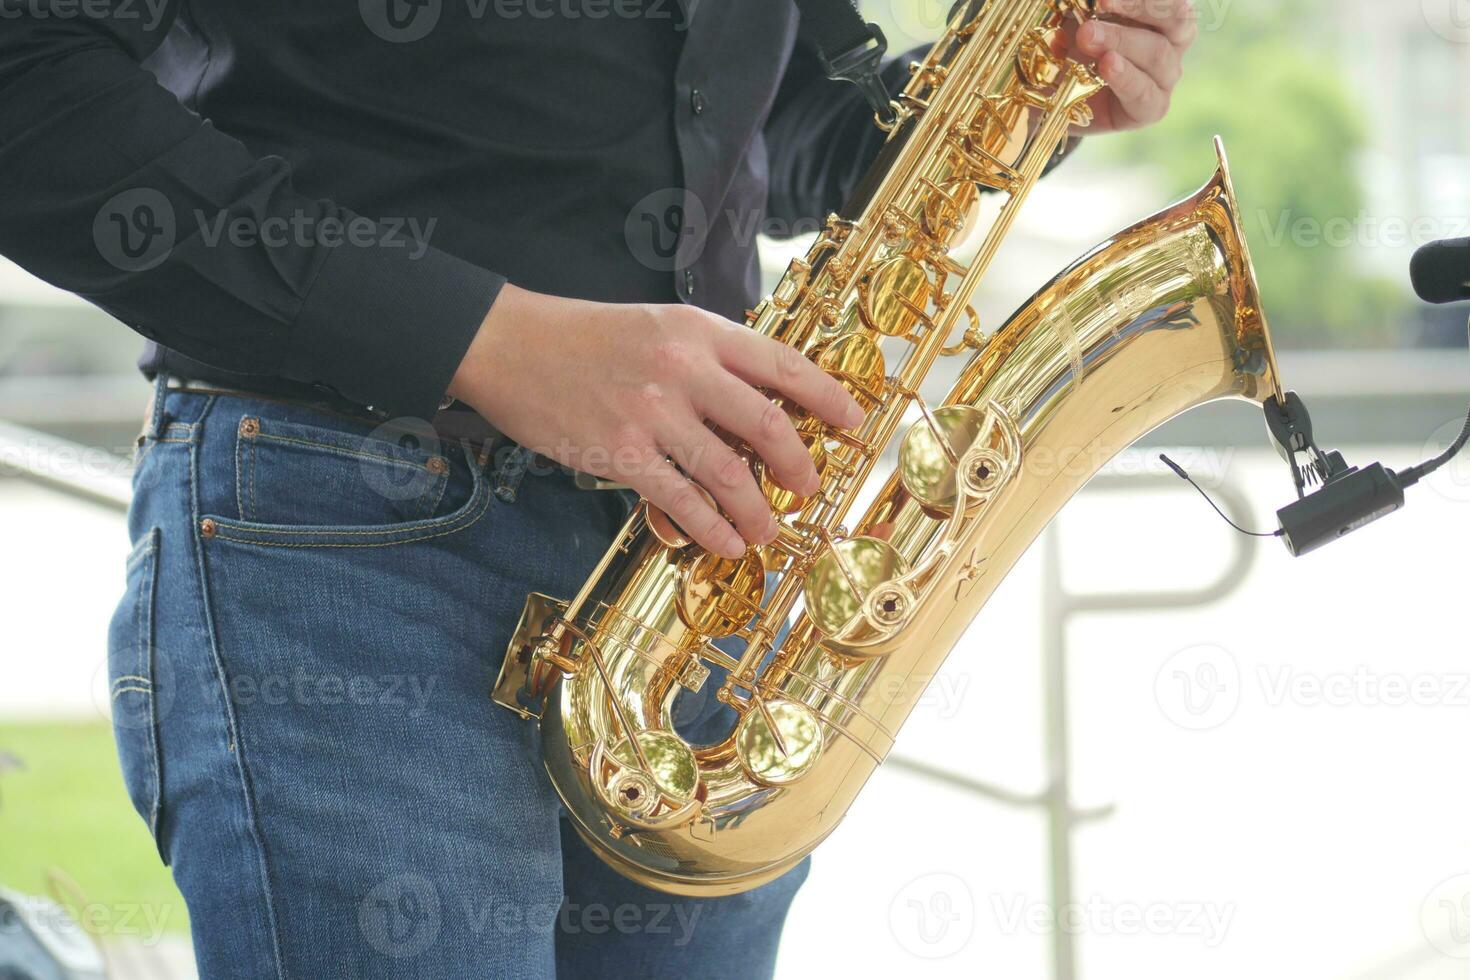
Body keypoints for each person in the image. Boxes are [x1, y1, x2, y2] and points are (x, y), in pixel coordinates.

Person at [0, 0, 1197, 975]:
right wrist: (491, 338)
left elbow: (784, 121)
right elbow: (26, 73)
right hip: (347, 526)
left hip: (691, 571)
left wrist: (1028, 85)